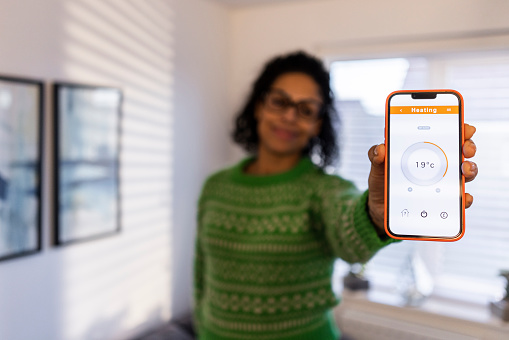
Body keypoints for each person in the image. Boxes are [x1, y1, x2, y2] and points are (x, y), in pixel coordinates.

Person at [193, 51, 478, 340]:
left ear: (318, 123)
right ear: (258, 106)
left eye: (306, 109)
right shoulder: (216, 186)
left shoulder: (325, 191)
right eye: (279, 101)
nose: (290, 116)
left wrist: (375, 215)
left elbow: (350, 238)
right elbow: (201, 273)